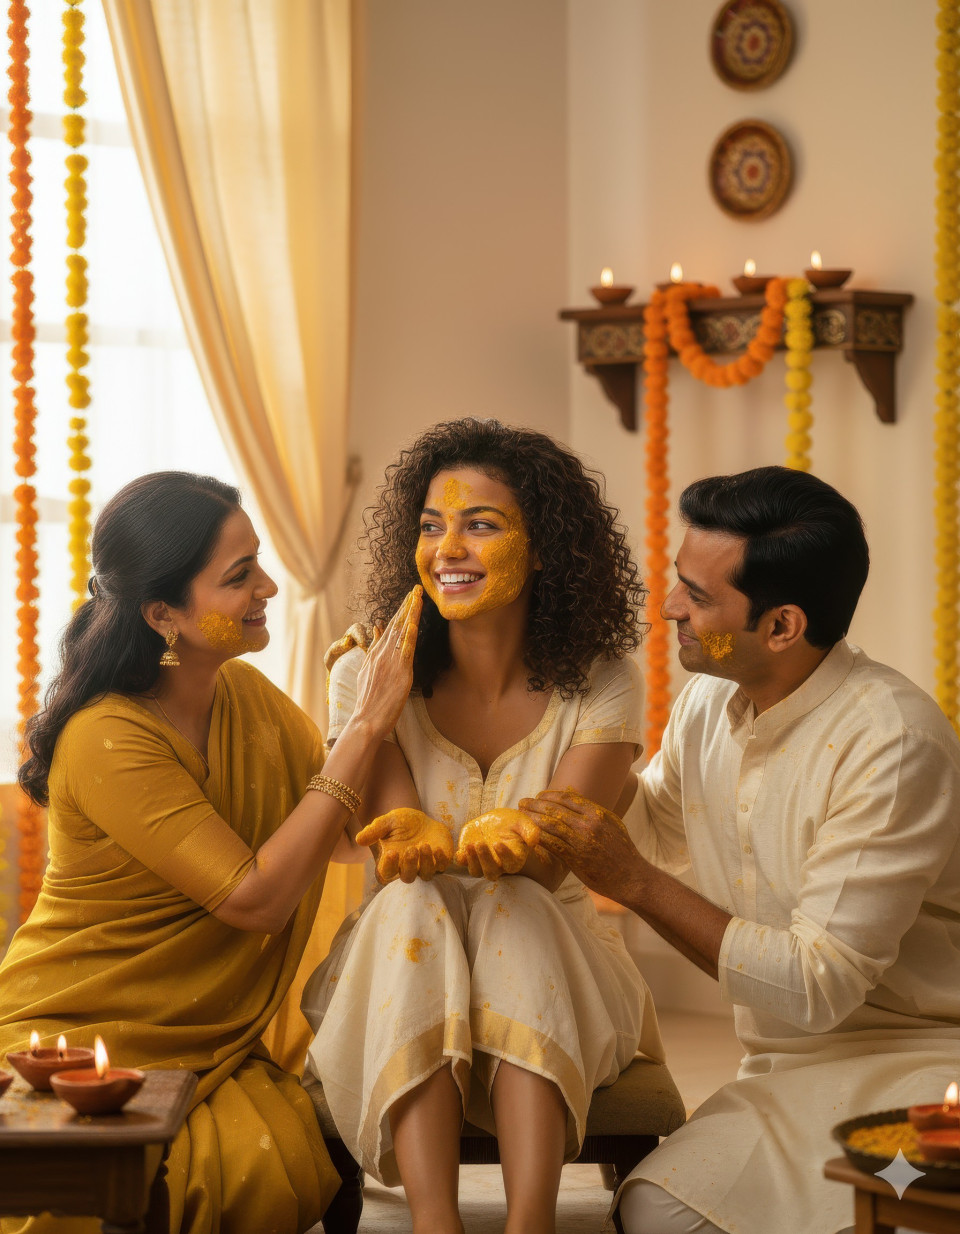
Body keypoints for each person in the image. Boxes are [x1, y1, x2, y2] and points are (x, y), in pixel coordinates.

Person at [524, 465, 960, 1234]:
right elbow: (656, 821)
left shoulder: (892, 742)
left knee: (894, 1214)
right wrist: (578, 727)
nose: (669, 609)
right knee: (658, 1211)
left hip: (930, 1063)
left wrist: (630, 882)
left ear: (783, 626)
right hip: (786, 1069)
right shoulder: (710, 697)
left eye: (698, 595)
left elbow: (818, 986)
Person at [0, 471, 421, 1234]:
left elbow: (330, 837)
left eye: (258, 561)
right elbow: (256, 899)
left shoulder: (250, 701)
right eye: (238, 577)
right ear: (164, 614)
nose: (268, 586)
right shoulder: (108, 738)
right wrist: (362, 728)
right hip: (84, 1032)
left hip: (212, 1039)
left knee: (268, 1162)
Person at [301, 418, 664, 1234]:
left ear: (544, 550)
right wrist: (377, 711)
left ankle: (527, 1221)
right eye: (431, 526)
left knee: (512, 904)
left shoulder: (602, 680)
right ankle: (438, 1223)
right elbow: (402, 850)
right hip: (398, 967)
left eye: (481, 524)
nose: (448, 548)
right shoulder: (366, 667)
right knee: (411, 906)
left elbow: (550, 865)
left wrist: (518, 837)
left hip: (555, 960)